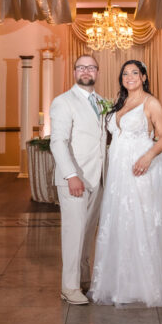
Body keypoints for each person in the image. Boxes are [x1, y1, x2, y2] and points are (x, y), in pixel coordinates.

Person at [89, 60, 162, 307]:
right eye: (125, 74)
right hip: (118, 173)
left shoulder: (151, 103)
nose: (129, 77)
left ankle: (149, 284)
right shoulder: (121, 103)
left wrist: (147, 157)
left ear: (144, 77)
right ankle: (122, 283)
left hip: (142, 168)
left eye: (134, 73)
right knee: (121, 221)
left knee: (143, 221)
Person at [49, 54, 107, 305]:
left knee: (87, 233)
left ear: (97, 72)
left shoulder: (104, 102)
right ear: (74, 72)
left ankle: (83, 280)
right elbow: (57, 142)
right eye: (81, 67)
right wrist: (71, 175)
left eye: (91, 67)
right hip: (74, 179)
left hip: (98, 179)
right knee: (74, 233)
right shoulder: (63, 102)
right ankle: (69, 287)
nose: (86, 71)